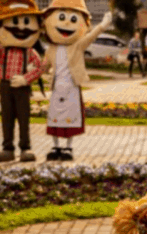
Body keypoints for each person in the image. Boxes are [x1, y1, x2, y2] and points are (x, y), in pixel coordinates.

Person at [41, 0, 112, 161]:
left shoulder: (77, 45)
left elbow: (91, 36)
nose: (66, 23)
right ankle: (56, 146)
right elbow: (43, 66)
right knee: (54, 118)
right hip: (56, 88)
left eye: (73, 19)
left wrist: (102, 25)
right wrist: (30, 71)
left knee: (71, 118)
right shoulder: (51, 49)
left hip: (72, 87)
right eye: (61, 17)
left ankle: (68, 147)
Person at [0, 0, 45, 162]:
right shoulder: (2, 50)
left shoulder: (29, 52)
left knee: (24, 118)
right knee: (7, 118)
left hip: (22, 88)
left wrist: (25, 79)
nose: (21, 28)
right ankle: (7, 148)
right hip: (5, 86)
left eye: (27, 22)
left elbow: (39, 68)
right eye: (15, 22)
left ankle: (25, 147)